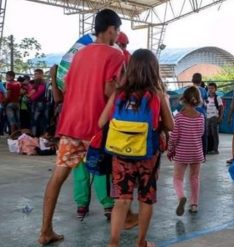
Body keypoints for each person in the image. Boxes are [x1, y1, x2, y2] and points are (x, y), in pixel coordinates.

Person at [38, 9, 124, 245]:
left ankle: (45, 230)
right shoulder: (115, 55)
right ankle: (123, 218)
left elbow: (66, 88)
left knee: (58, 177)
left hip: (70, 125)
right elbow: (109, 91)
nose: (117, 35)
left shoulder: (79, 55)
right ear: (111, 30)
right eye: (117, 30)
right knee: (118, 172)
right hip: (96, 128)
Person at [99, 49, 174, 247]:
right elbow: (170, 126)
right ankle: (141, 242)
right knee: (145, 199)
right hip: (147, 155)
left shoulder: (119, 94)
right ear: (153, 70)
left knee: (122, 200)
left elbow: (101, 122)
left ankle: (113, 243)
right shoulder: (157, 95)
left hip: (120, 155)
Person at [168, 86, 205, 216]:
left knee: (178, 178)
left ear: (183, 99)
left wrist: (170, 150)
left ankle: (181, 197)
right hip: (196, 152)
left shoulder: (179, 117)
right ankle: (194, 204)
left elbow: (174, 136)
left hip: (182, 152)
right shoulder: (201, 117)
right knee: (194, 178)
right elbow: (201, 133)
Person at [191, 73, 208, 158]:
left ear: (192, 80)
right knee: (203, 135)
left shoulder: (189, 90)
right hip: (202, 115)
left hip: (191, 115)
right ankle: (203, 155)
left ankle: (192, 154)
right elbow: (206, 101)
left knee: (191, 134)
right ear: (201, 81)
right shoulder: (203, 90)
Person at [28, 69, 48, 136]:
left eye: (37, 73)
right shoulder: (45, 82)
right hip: (45, 103)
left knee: (34, 121)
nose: (35, 75)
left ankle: (34, 137)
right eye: (35, 74)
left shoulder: (38, 83)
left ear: (41, 74)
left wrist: (30, 97)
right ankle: (43, 137)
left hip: (37, 103)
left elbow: (34, 94)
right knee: (44, 121)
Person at [206, 82, 224, 154]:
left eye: (212, 88)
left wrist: (220, 117)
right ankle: (208, 149)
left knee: (214, 134)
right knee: (208, 134)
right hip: (207, 118)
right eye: (209, 88)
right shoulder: (206, 98)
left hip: (214, 118)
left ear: (215, 89)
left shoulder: (218, 98)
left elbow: (221, 108)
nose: (210, 90)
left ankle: (215, 149)